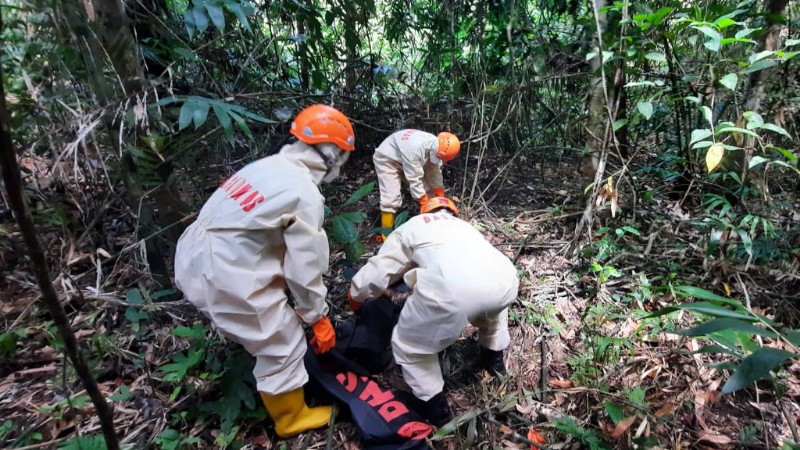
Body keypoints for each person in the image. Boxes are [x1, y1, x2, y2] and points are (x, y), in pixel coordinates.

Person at [173, 104, 355, 437]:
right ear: (334, 155)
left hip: (191, 256)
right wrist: (317, 317)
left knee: (257, 321)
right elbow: (304, 267)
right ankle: (290, 417)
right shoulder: (304, 194)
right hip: (225, 271)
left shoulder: (267, 166)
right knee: (282, 339)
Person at [347, 197, 519, 426]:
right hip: (506, 279)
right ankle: (494, 360)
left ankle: (434, 407)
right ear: (453, 213)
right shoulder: (465, 227)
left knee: (410, 346)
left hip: (451, 290)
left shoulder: (413, 226)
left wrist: (356, 293)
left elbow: (379, 270)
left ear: (423, 212)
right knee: (495, 312)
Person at [373, 129, 461, 237]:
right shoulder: (415, 148)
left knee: (429, 191)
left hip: (405, 158)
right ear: (436, 149)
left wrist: (439, 192)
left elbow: (434, 171)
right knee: (391, 197)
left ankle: (434, 226)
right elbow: (414, 178)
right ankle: (386, 235)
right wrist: (423, 202)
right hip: (388, 158)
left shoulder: (435, 145)